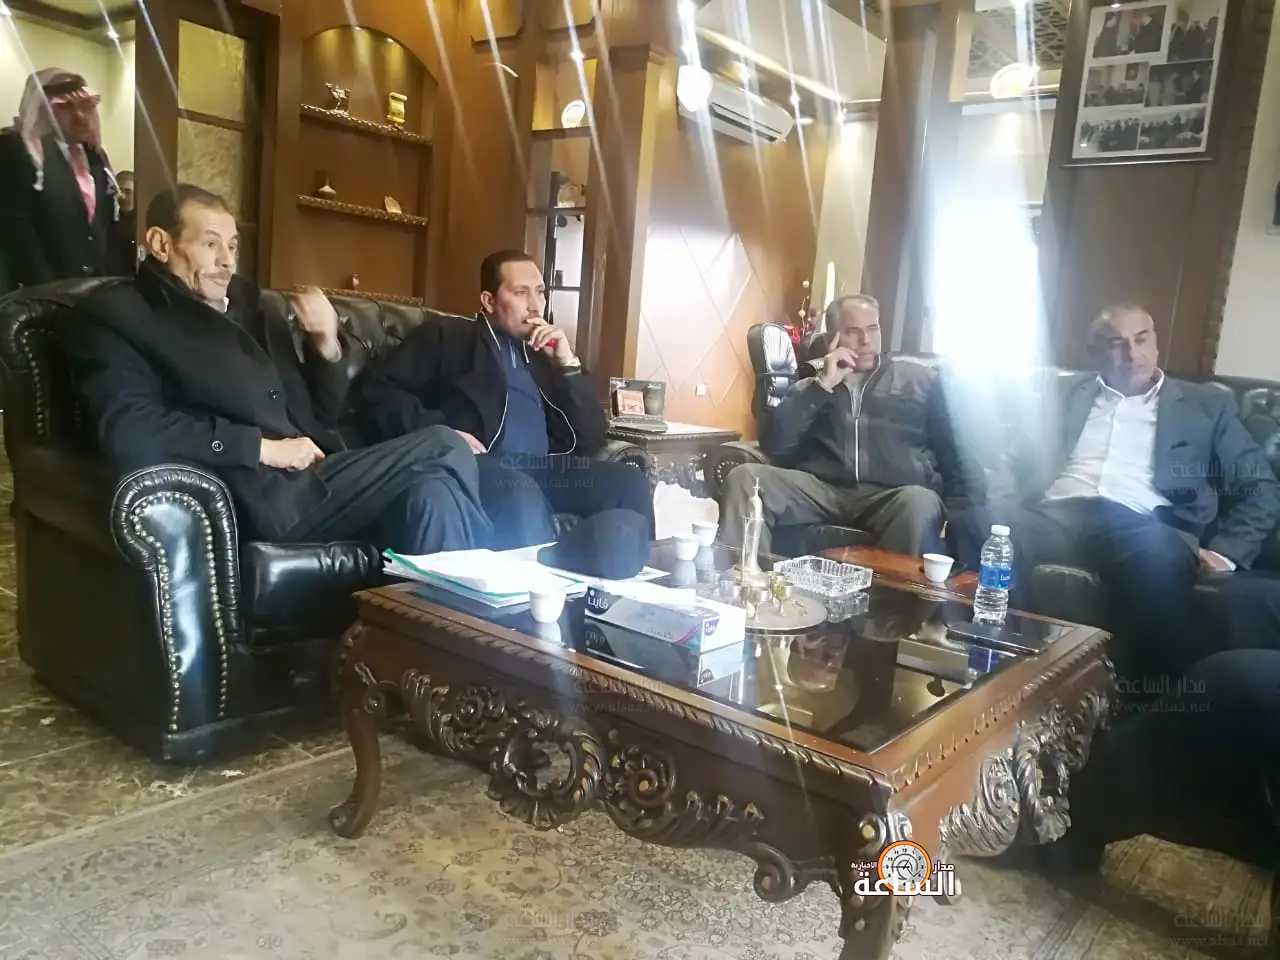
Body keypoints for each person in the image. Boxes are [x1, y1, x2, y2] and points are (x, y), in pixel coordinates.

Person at [60, 183, 491, 553]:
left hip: (320, 476)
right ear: (160, 244)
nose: (227, 261)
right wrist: (261, 448)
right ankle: (498, 598)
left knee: (433, 493)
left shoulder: (253, 308)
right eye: (210, 244)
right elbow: (128, 427)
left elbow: (321, 415)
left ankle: (439, 626)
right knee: (443, 444)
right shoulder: (121, 315)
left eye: (233, 246)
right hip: (259, 495)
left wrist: (324, 344)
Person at [948, 304, 1280, 681]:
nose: (1132, 354)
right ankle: (1012, 670)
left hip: (1141, 524)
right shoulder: (1065, 394)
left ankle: (1142, 693)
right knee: (974, 525)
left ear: (1156, 342)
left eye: (1141, 340)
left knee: (1155, 558)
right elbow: (1013, 461)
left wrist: (1226, 552)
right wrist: (1004, 507)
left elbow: (1259, 486)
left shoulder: (1206, 405)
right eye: (1117, 344)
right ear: (1094, 353)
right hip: (1056, 515)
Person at [349, 249, 654, 548]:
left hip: (545, 470)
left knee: (629, 482)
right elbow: (377, 390)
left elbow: (591, 435)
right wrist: (442, 434)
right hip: (476, 465)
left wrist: (568, 363)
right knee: (521, 494)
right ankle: (533, 583)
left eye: (540, 292)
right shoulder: (449, 336)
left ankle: (637, 580)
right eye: (521, 293)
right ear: (489, 301)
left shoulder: (542, 355)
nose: (535, 305)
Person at [718, 294, 984, 557]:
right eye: (853, 331)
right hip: (823, 490)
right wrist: (821, 386)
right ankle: (745, 577)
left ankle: (891, 588)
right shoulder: (812, 385)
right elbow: (775, 445)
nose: (866, 340)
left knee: (920, 503)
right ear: (831, 339)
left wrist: (964, 527)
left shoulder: (921, 381)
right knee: (745, 479)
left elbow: (957, 456)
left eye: (873, 329)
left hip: (892, 495)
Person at [0, 69, 122, 287]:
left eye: (86, 106)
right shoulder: (18, 151)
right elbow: (17, 231)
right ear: (42, 110)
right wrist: (48, 291)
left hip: (96, 291)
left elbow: (106, 228)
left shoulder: (95, 156)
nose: (80, 116)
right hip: (40, 293)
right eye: (65, 107)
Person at [109, 169, 137, 275]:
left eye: (128, 191)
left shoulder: (143, 223)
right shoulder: (110, 221)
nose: (122, 196)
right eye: (119, 192)